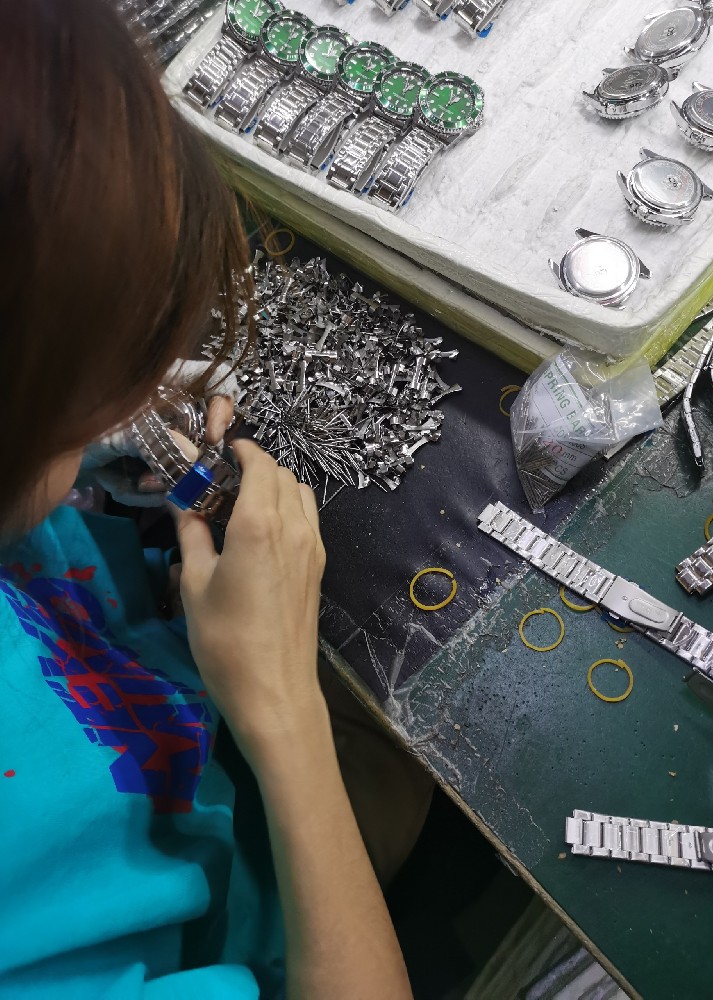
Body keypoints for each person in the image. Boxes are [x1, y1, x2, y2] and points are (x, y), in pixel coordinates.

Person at [0, 1, 416, 996]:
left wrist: (87, 430)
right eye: (73, 419)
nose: (135, 403)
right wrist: (285, 712)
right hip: (282, 913)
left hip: (187, 716)